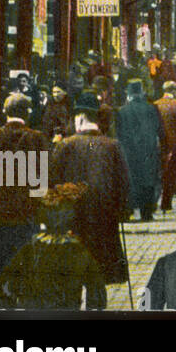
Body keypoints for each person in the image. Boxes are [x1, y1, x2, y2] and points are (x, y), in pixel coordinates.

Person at [0, 94, 52, 289]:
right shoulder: (37, 139)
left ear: (5, 112)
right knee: (27, 268)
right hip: (27, 216)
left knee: (0, 266)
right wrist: (39, 208)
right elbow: (44, 181)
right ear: (27, 112)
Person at [0, 182, 108, 311]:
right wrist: (94, 305)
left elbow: (8, 276)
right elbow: (95, 285)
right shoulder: (77, 250)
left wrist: (6, 290)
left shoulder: (33, 246)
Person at [49, 105, 131, 284]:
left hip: (72, 217)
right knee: (99, 276)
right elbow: (123, 182)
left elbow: (52, 181)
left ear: (80, 118)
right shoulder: (112, 145)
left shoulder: (65, 145)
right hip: (104, 218)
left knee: (73, 274)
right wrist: (123, 212)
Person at [116, 79, 162, 221]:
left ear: (129, 94)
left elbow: (118, 133)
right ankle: (146, 213)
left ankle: (128, 212)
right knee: (148, 180)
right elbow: (159, 129)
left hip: (129, 151)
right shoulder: (151, 108)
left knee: (131, 180)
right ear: (141, 93)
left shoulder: (122, 111)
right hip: (148, 151)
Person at [155, 81, 176, 214]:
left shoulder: (156, 105)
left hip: (159, 145)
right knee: (171, 175)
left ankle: (155, 202)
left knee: (158, 173)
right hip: (175, 145)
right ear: (174, 92)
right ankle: (166, 203)